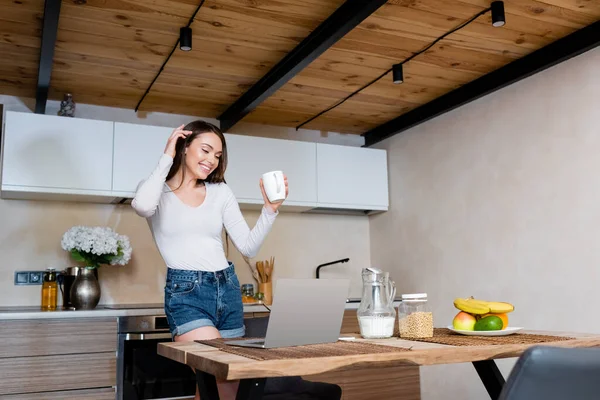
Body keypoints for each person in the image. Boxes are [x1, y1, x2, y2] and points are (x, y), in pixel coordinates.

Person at [131, 121, 288, 399]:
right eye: (205, 150)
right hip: (187, 295)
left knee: (218, 387)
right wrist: (167, 154)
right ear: (184, 146)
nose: (212, 161)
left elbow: (248, 247)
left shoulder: (220, 192)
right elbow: (142, 206)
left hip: (227, 289)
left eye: (217, 156)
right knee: (219, 372)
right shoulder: (155, 190)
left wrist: (269, 210)